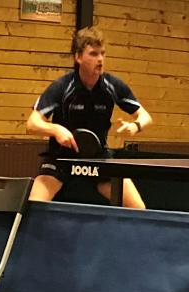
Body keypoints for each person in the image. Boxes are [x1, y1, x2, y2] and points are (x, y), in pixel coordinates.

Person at [27, 26, 152, 208]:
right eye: (93, 54)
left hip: (98, 158)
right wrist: (55, 129)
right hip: (61, 158)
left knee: (139, 209)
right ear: (78, 57)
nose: (100, 59)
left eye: (102, 54)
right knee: (33, 207)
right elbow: (32, 124)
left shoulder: (112, 85)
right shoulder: (62, 86)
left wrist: (135, 126)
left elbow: (145, 116)